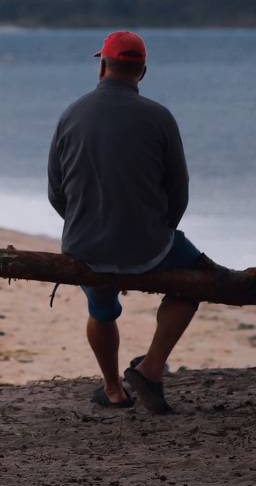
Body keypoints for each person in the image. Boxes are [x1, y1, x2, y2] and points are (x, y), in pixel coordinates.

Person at [47, 31, 212, 414]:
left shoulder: (71, 114)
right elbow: (179, 192)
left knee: (101, 311)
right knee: (200, 279)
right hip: (149, 245)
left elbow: (56, 192)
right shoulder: (160, 117)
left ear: (102, 67)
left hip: (86, 246)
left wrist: (87, 222)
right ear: (143, 72)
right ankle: (150, 369)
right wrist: (158, 233)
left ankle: (112, 390)